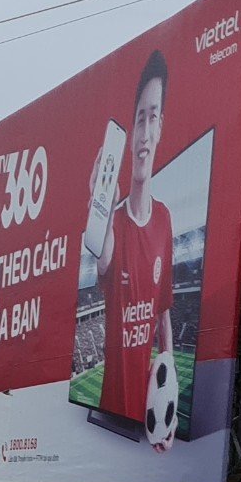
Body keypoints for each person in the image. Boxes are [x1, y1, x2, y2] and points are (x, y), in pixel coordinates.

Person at [97, 48, 177, 439]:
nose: (144, 133)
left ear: (161, 126)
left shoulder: (164, 219)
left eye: (153, 118)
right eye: (139, 119)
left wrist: (169, 393)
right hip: (112, 420)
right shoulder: (114, 221)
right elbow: (101, 257)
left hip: (146, 421)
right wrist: (98, 207)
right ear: (130, 136)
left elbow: (162, 312)